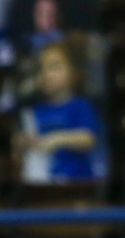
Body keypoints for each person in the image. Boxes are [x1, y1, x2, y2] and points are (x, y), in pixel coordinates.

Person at [14, 42, 104, 183]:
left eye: (55, 67)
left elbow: (89, 139)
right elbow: (27, 145)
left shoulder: (80, 106)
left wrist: (57, 140)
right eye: (41, 69)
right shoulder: (36, 111)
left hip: (77, 184)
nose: (47, 74)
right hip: (44, 183)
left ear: (73, 72)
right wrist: (23, 142)